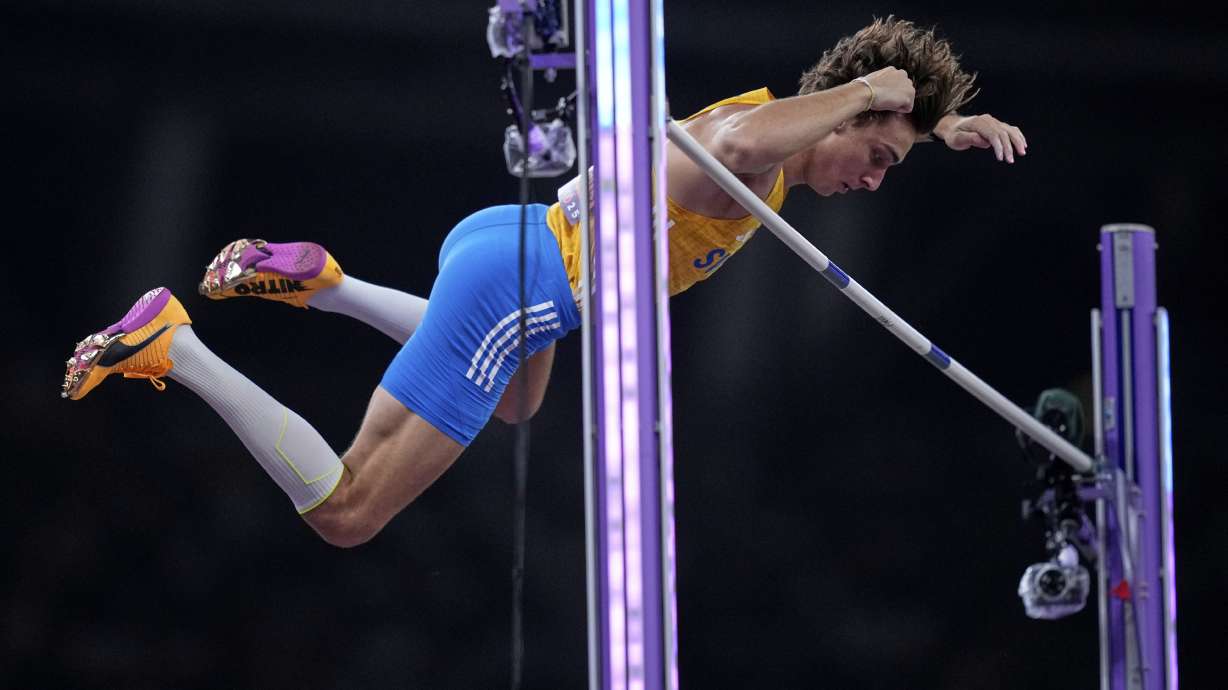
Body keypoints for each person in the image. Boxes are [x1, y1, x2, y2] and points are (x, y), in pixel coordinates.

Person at [61, 16, 1025, 547]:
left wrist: (930, 124)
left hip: (514, 244)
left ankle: (329, 285)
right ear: (844, 114)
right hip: (518, 286)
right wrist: (867, 92)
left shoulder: (776, 144)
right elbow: (737, 143)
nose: (873, 180)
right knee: (349, 513)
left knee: (521, 402)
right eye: (879, 157)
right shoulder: (750, 151)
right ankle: (175, 346)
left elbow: (793, 132)